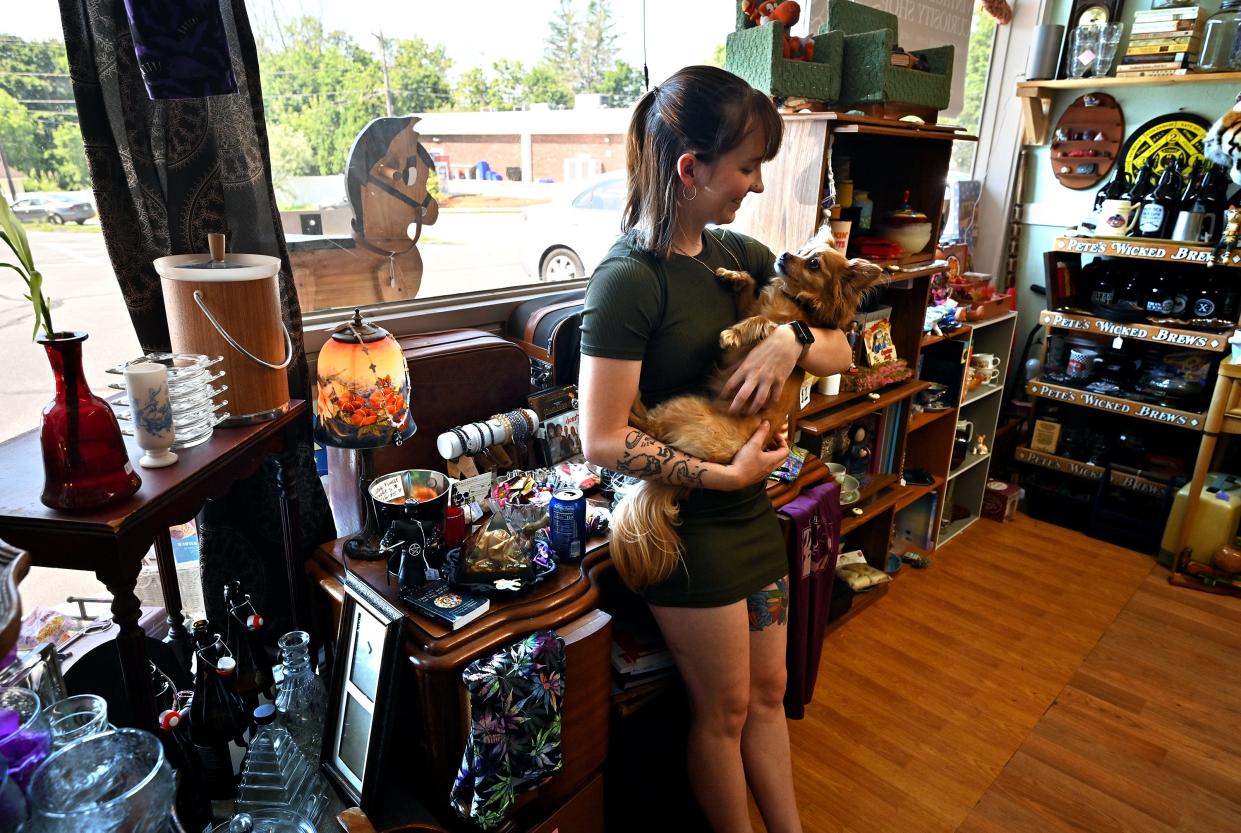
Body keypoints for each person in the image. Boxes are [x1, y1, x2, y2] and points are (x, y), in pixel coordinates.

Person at [578, 66, 853, 833]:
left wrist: (792, 339)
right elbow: (598, 437)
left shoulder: (732, 249)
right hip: (687, 528)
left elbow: (845, 349)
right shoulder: (627, 281)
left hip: (750, 518)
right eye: (745, 166)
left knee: (769, 695)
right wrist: (721, 470)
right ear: (690, 169)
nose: (757, 185)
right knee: (724, 709)